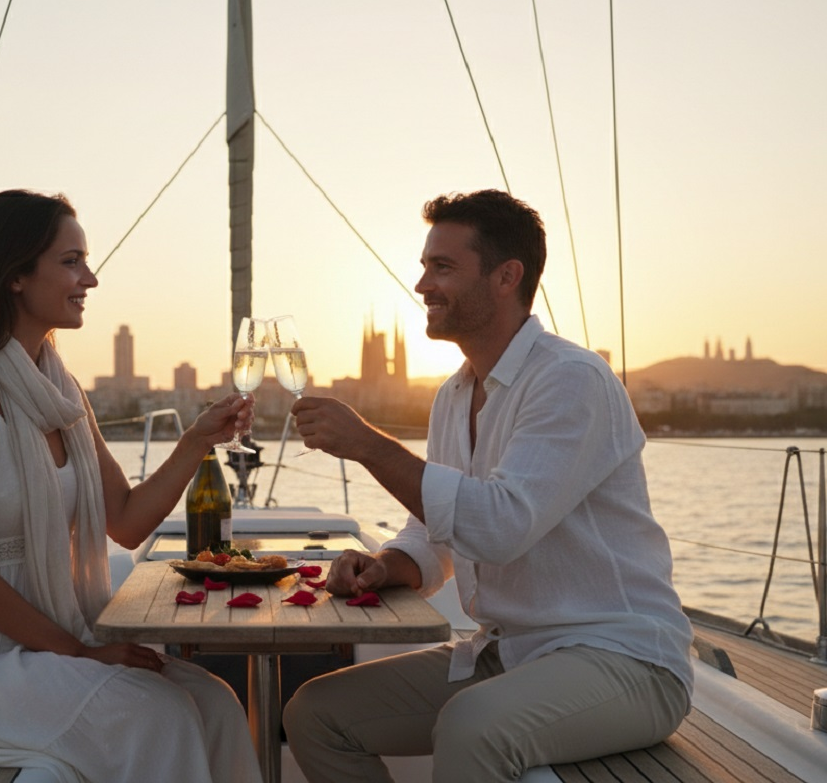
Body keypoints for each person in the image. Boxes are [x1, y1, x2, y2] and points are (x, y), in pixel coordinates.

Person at [282, 189, 693, 782]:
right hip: (505, 653)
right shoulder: (453, 395)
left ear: (506, 277)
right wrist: (388, 563)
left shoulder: (570, 379)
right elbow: (436, 533)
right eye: (424, 266)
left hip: (623, 659)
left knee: (472, 726)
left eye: (442, 267)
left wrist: (368, 445)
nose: (422, 285)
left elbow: (499, 526)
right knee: (316, 714)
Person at [0, 189, 262, 783]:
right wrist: (81, 654)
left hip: (57, 633)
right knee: (157, 713)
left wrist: (196, 441)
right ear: (15, 275)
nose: (89, 278)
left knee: (216, 702)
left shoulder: (62, 392)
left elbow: (127, 520)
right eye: (71, 261)